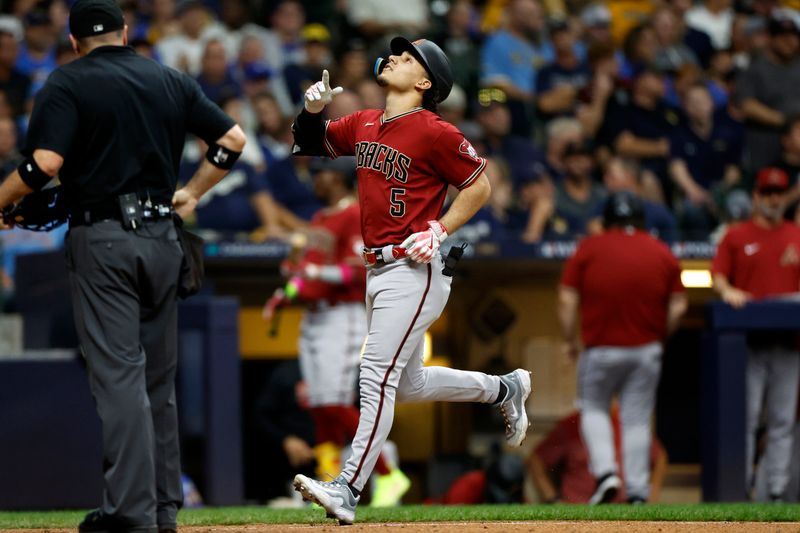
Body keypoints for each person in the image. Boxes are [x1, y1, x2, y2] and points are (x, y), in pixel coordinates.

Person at [0, 0, 246, 530]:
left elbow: (44, 165)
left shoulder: (66, 84)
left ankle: (129, 514)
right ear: (125, 32)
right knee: (157, 379)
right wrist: (193, 193)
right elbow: (231, 141)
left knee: (119, 377)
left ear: (73, 42)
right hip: (163, 238)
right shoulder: (170, 79)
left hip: (105, 239)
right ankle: (160, 511)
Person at [289, 37, 532, 524]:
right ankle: (503, 389)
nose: (395, 57)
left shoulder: (435, 130)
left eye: (409, 57)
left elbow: (480, 184)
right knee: (407, 384)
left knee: (375, 377)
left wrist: (441, 227)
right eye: (396, 53)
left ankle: (349, 487)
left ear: (424, 83)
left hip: (413, 267)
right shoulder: (364, 122)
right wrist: (311, 112)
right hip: (376, 269)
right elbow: (308, 144)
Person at [262, 157, 410, 506]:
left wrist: (310, 275)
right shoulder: (319, 219)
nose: (315, 179)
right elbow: (301, 274)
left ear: (340, 179)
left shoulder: (354, 214)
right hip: (314, 317)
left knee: (334, 402)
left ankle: (390, 475)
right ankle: (328, 482)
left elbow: (355, 273)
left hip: (341, 317)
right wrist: (288, 292)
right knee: (318, 406)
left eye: (321, 174)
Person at [558, 191, 687, 504]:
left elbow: (566, 298)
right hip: (646, 350)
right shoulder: (661, 251)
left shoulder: (589, 247)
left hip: (601, 349)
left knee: (593, 408)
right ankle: (639, 492)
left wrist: (569, 340)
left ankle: (606, 475)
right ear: (640, 221)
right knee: (637, 419)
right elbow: (680, 306)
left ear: (607, 220)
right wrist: (659, 336)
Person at [711, 167, 800, 502]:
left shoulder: (795, 233)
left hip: (789, 343)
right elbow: (717, 276)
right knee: (745, 419)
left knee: (782, 420)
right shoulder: (736, 235)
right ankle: (741, 487)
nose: (773, 199)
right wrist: (729, 291)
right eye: (767, 193)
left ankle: (775, 490)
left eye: (779, 193)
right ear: (756, 197)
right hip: (747, 344)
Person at [528, 408, 668, 504]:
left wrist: (650, 496)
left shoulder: (625, 423)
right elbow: (536, 458)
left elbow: (659, 456)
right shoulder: (572, 424)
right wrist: (554, 500)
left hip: (620, 509)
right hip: (577, 507)